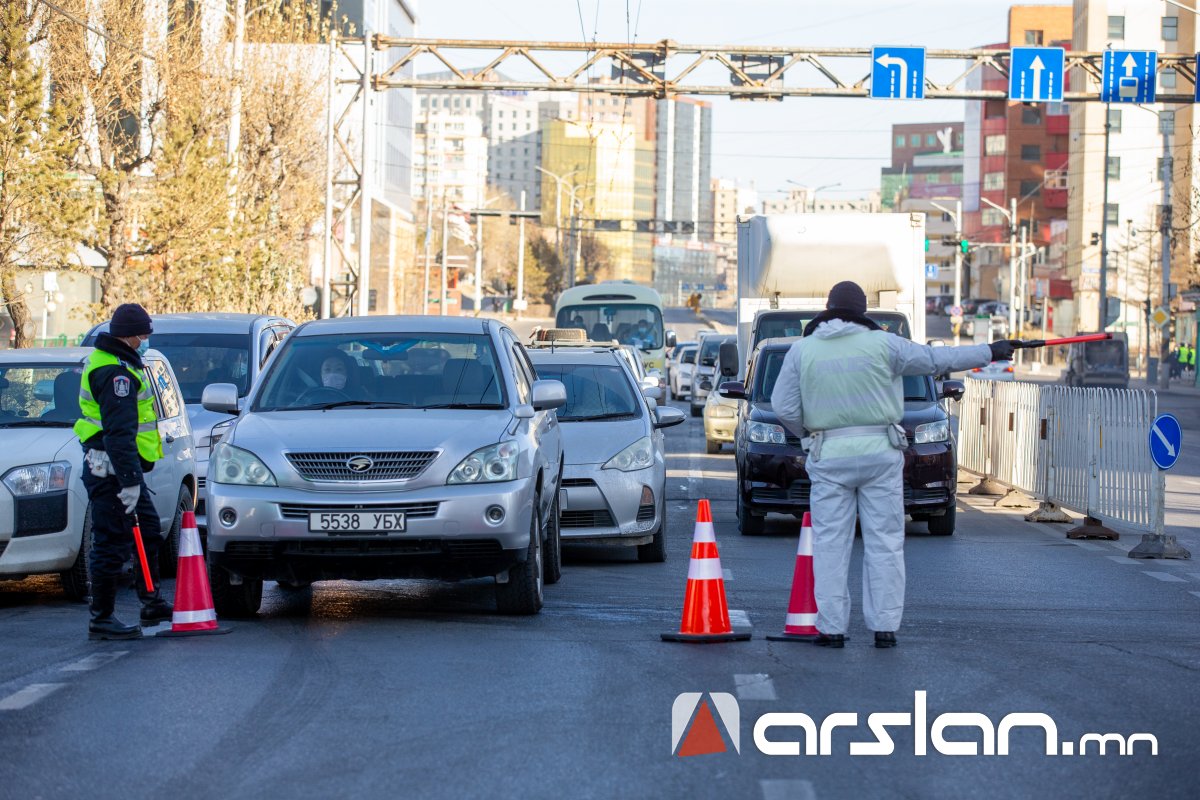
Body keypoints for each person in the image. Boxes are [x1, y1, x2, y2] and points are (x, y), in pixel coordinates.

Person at [771, 281, 1014, 649]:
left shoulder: (803, 351)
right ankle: (885, 628)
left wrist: (810, 434)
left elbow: (784, 406)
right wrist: (990, 351)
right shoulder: (883, 344)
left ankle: (832, 628)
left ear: (828, 309)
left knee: (831, 545)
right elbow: (938, 360)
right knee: (884, 542)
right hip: (880, 452)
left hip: (830, 453)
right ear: (862, 312)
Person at [74, 303, 169, 640]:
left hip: (118, 469)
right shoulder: (117, 374)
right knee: (111, 543)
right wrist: (129, 482)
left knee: (148, 532)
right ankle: (102, 619)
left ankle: (151, 602)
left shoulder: (119, 362)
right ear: (130, 336)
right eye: (143, 335)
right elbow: (119, 433)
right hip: (110, 471)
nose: (145, 340)